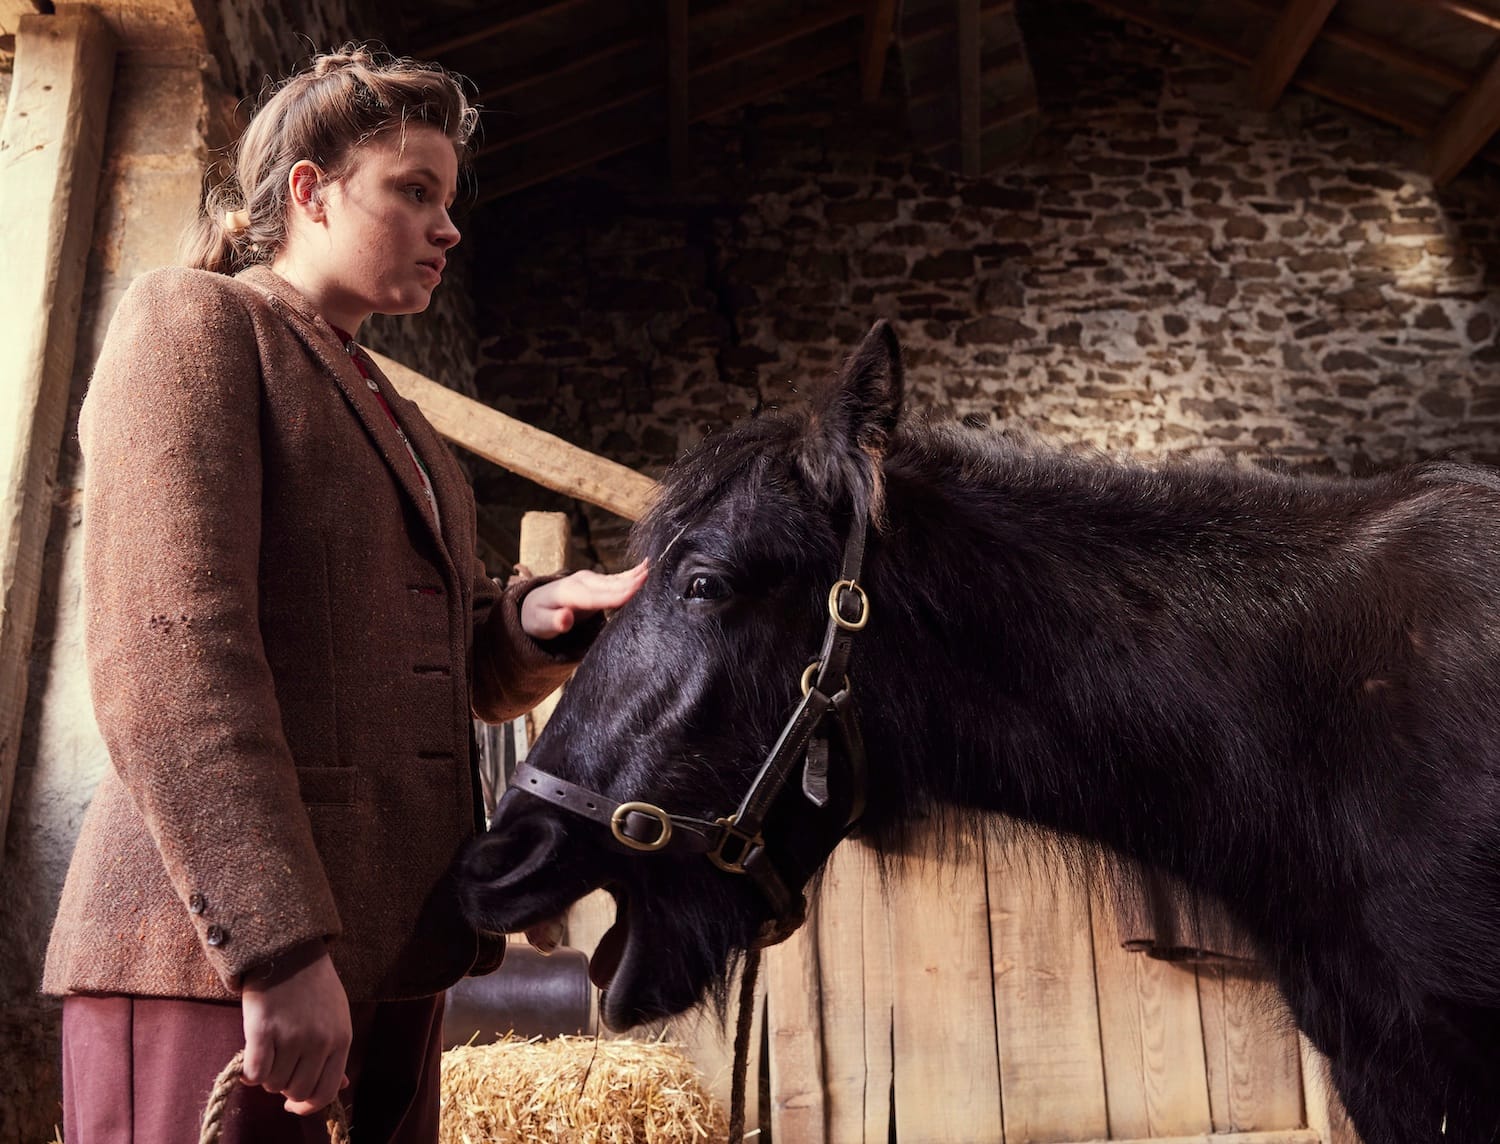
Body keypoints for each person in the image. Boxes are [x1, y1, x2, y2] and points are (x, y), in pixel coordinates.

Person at [42, 45, 646, 1143]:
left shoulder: (409, 423)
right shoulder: (194, 322)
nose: (448, 227)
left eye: (448, 200)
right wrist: (275, 948)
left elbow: (437, 654)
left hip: (392, 955)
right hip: (214, 961)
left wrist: (533, 622)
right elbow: (169, 647)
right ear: (308, 193)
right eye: (413, 191)